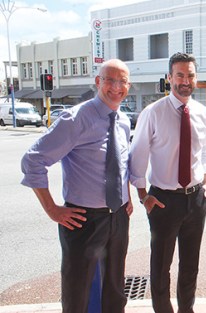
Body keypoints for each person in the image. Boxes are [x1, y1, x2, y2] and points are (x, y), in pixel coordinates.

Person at [20, 59, 133, 313]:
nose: (116, 87)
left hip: (118, 217)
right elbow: (33, 161)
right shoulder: (76, 118)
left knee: (114, 289)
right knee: (78, 292)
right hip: (83, 219)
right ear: (98, 82)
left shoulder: (124, 121)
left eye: (122, 81)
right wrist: (52, 210)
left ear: (129, 86)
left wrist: (127, 196)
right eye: (110, 80)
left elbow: (121, 162)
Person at [129, 52, 206, 313]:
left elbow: (203, 151)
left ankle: (187, 309)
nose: (185, 80)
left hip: (196, 199)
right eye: (180, 75)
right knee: (161, 266)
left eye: (190, 75)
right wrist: (143, 196)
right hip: (163, 200)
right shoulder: (153, 112)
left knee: (191, 265)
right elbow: (138, 156)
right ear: (169, 78)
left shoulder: (201, 112)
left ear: (196, 78)